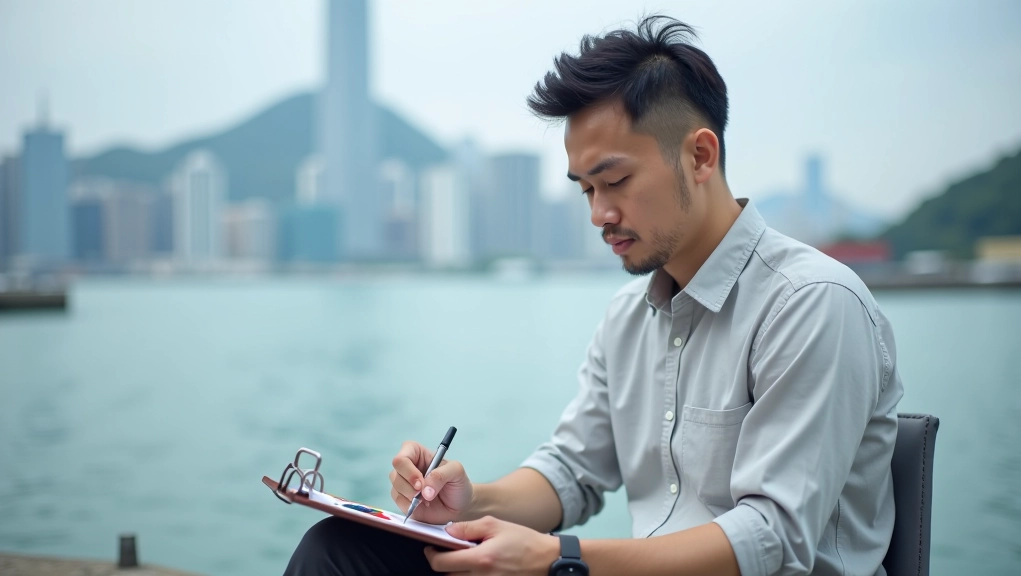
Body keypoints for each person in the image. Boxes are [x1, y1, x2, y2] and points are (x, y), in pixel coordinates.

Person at [284, 15, 903, 576]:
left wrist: (561, 559)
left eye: (616, 181)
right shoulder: (629, 319)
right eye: (585, 190)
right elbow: (571, 473)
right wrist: (469, 503)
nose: (599, 214)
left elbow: (772, 539)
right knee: (339, 551)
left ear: (701, 155)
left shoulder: (811, 304)